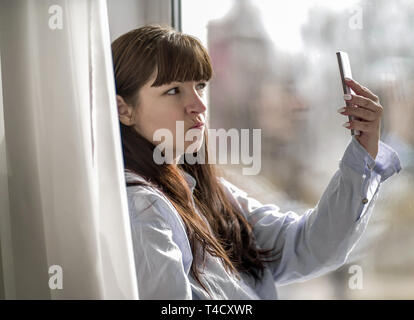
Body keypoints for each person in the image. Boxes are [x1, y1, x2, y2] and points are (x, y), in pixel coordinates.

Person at [111, 24, 401, 299]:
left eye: (199, 86)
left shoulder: (205, 193)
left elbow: (310, 245)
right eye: (173, 90)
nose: (199, 106)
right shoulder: (141, 209)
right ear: (124, 110)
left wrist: (363, 152)